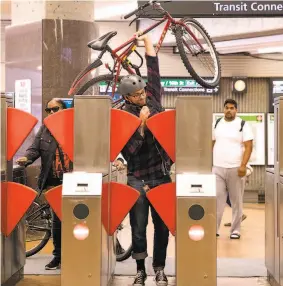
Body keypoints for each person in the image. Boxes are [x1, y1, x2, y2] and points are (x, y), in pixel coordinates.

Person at [114, 31, 172, 286]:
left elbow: (154, 71)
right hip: (136, 177)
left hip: (161, 175)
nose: (142, 97)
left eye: (143, 93)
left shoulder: (154, 100)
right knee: (138, 228)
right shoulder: (122, 117)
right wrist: (141, 125)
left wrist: (147, 43)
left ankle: (159, 268)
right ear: (127, 98)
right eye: (137, 96)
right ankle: (140, 270)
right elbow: (130, 152)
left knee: (162, 227)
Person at [16, 98, 73, 270]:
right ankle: (58, 256)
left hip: (75, 181)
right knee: (57, 221)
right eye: (48, 110)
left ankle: (76, 255)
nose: (52, 113)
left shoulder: (74, 128)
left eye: (55, 109)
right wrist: (27, 158)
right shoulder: (45, 130)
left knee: (77, 219)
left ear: (64, 110)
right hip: (53, 182)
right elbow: (34, 149)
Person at [212, 99, 253, 239]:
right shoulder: (217, 123)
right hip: (217, 168)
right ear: (223, 109)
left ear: (236, 110)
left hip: (236, 169)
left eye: (232, 108)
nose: (229, 110)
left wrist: (243, 165)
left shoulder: (242, 125)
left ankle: (235, 230)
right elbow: (211, 143)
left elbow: (249, 146)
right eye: (227, 108)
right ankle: (214, 229)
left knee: (236, 201)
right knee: (217, 200)